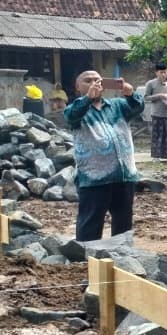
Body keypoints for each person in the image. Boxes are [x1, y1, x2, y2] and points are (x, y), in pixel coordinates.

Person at [65, 70, 144, 242]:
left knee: (123, 223)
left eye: (98, 80)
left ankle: (123, 254)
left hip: (124, 176)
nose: (94, 83)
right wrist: (88, 98)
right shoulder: (76, 109)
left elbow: (138, 107)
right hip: (94, 178)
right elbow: (71, 116)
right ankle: (86, 257)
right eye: (88, 81)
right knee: (90, 225)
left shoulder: (118, 105)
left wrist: (130, 94)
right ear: (78, 87)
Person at [142, 61, 167, 161]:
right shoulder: (151, 84)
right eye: (161, 72)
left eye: (165, 72)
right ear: (156, 73)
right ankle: (156, 157)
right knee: (157, 135)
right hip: (157, 114)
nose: (163, 74)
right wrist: (159, 96)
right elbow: (146, 97)